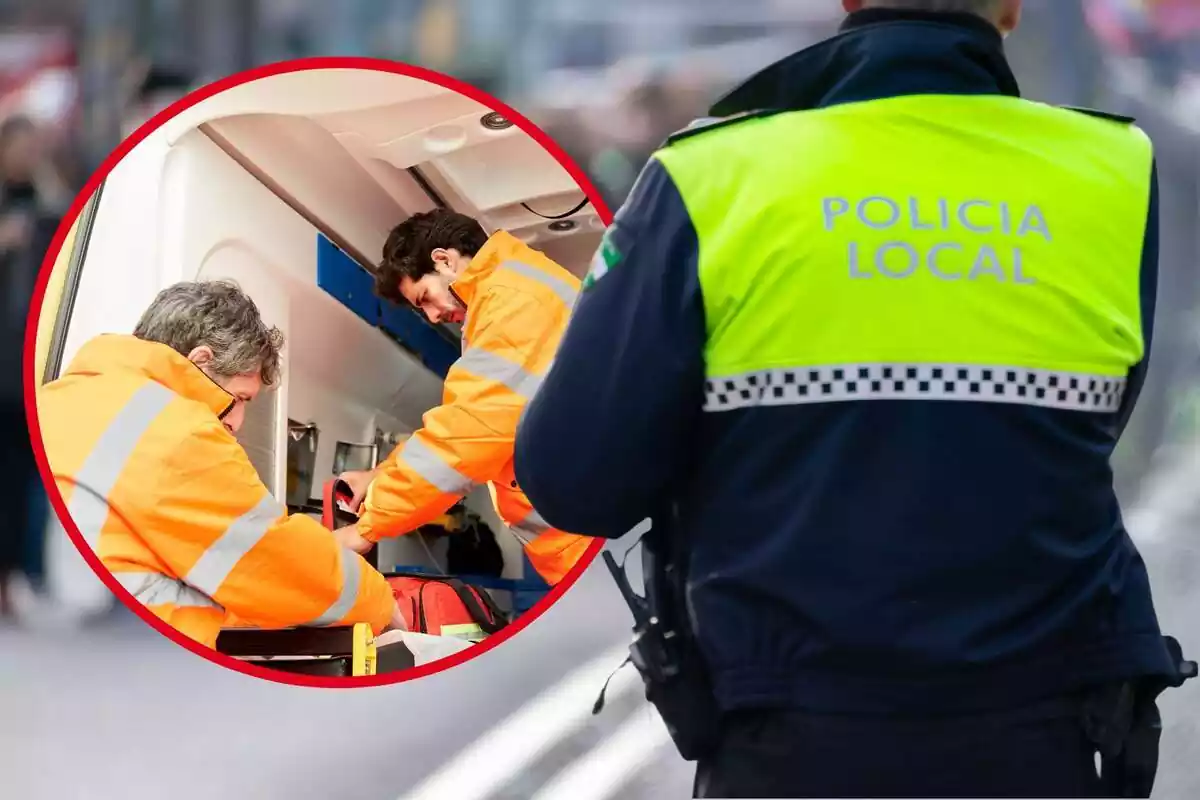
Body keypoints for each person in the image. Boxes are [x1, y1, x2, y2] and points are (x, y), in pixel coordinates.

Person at [513, 0, 1194, 797]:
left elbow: (571, 476)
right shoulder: (1110, 169)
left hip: (790, 745)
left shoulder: (710, 177)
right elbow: (1100, 420)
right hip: (1041, 738)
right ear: (1011, 5)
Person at [37, 280, 405, 649]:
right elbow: (270, 563)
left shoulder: (52, 401)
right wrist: (378, 603)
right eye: (239, 398)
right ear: (200, 362)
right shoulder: (177, 429)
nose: (237, 421)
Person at [333, 209, 592, 586]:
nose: (433, 317)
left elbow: (466, 437)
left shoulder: (511, 304)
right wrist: (377, 475)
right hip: (590, 532)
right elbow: (465, 421)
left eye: (424, 298)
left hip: (593, 537)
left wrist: (365, 530)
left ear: (445, 260)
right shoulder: (513, 287)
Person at [0, 114, 66, 621]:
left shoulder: (44, 202)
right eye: (17, 146)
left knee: (28, 479)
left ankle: (24, 574)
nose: (25, 156)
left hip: (27, 367)